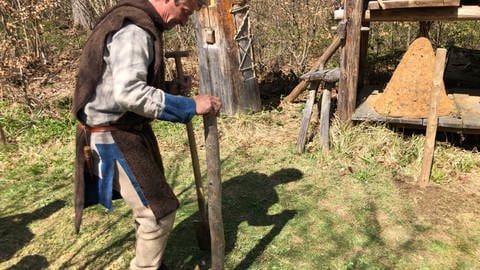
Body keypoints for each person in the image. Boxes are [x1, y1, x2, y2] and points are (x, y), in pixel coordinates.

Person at [72, 0, 221, 269]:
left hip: (122, 130)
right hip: (113, 136)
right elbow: (129, 93)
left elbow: (116, 84)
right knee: (157, 212)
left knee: (149, 207)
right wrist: (189, 105)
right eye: (185, 11)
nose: (185, 21)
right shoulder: (134, 31)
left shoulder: (134, 21)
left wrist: (168, 89)